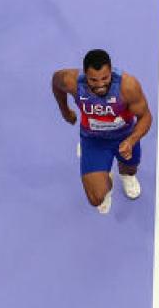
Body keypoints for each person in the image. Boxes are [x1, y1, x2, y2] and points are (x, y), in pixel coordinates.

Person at [51, 49, 152, 214]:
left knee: (130, 168)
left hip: (124, 137)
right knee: (96, 198)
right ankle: (106, 179)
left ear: (111, 71)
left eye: (105, 78)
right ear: (85, 74)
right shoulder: (72, 81)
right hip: (93, 140)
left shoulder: (128, 86)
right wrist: (65, 110)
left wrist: (132, 140)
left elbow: (145, 117)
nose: (100, 84)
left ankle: (127, 177)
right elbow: (56, 82)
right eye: (93, 80)